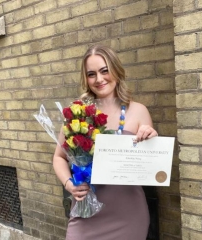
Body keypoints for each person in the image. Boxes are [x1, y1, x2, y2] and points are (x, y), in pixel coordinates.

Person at [53, 45, 158, 240]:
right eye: (91, 74)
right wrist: (69, 185)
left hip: (128, 213)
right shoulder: (78, 113)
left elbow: (150, 168)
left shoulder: (139, 111)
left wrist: (150, 139)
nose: (99, 79)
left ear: (116, 70)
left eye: (104, 70)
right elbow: (59, 157)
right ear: (86, 79)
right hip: (86, 212)